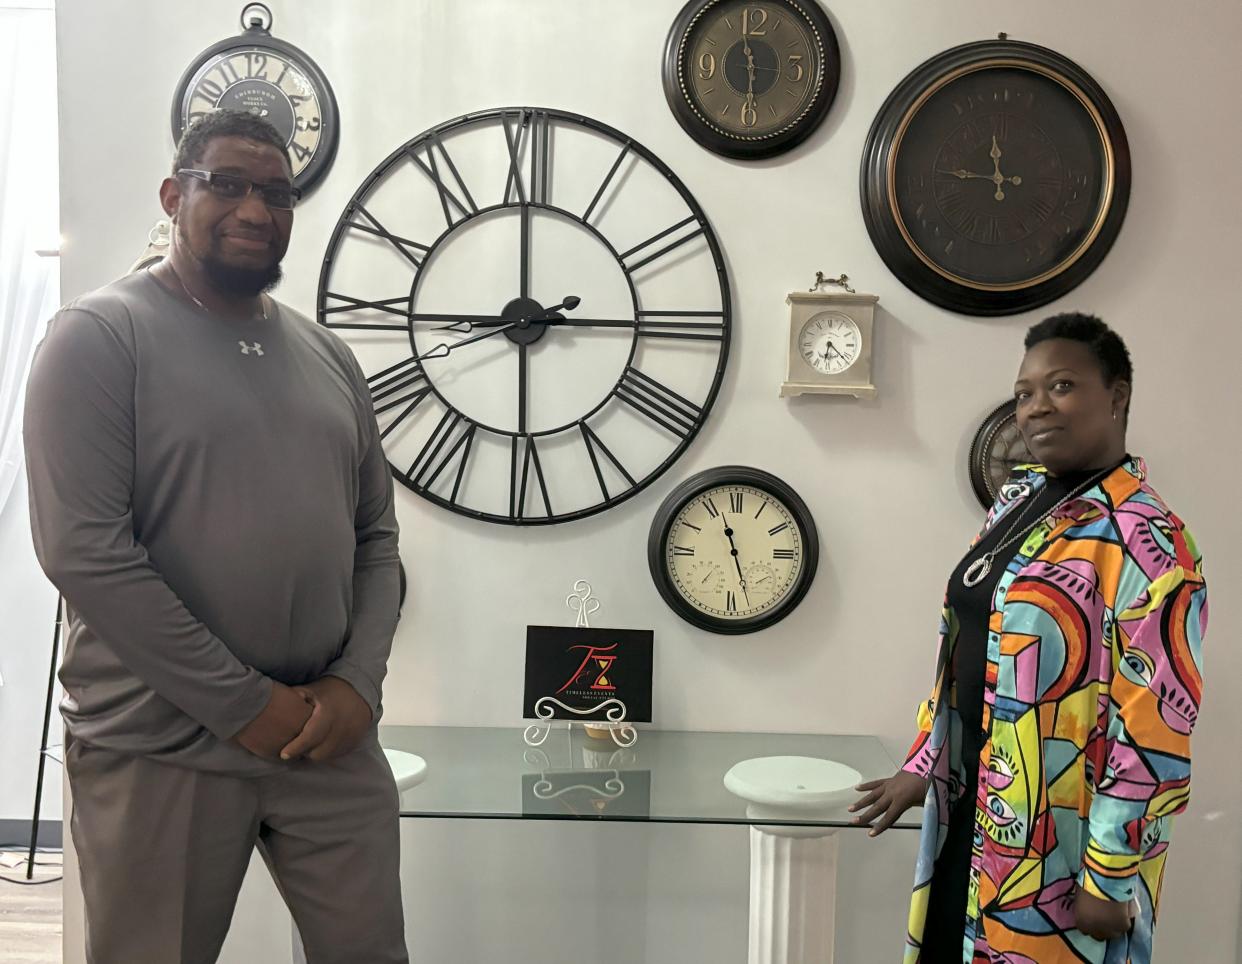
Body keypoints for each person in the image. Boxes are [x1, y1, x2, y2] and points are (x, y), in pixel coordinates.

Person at [23, 110, 407, 963]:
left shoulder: (329, 357)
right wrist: (246, 706)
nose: (254, 209)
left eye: (276, 193)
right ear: (173, 195)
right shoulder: (98, 339)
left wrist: (358, 686)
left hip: (327, 740)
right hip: (161, 747)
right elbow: (84, 552)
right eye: (225, 184)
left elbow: (376, 543)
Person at [850, 313, 1208, 963]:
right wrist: (920, 764)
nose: (1036, 406)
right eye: (1024, 393)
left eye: (1063, 386)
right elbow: (963, 648)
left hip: (1061, 851)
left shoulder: (1150, 538)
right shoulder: (1015, 502)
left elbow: (1155, 723)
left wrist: (1109, 871)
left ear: (1117, 395)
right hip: (971, 809)